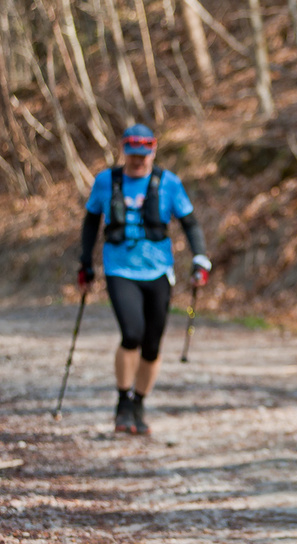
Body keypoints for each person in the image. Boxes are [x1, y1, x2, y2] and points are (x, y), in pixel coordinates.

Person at [77, 124, 212, 436]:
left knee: (152, 344)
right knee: (132, 333)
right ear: (124, 151)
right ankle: (123, 401)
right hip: (119, 270)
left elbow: (190, 223)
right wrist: (85, 263)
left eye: (144, 155)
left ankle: (139, 403)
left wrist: (200, 257)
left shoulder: (169, 183)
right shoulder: (106, 181)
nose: (139, 162)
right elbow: (90, 222)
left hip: (158, 271)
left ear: (153, 151)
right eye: (133, 155)